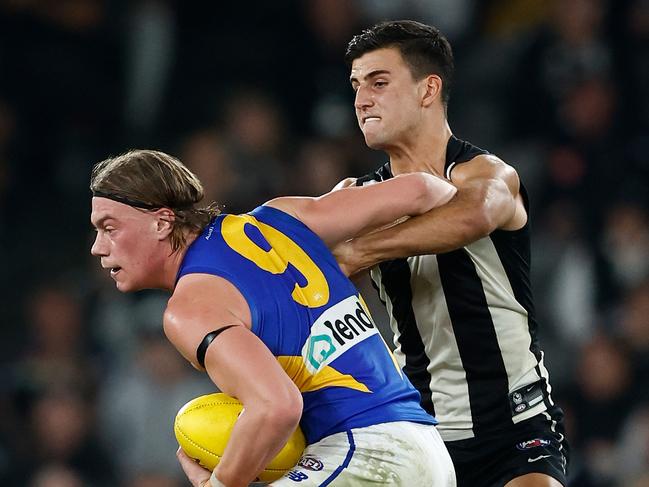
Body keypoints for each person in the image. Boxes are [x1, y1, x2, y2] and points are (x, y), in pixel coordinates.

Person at [89, 149, 458, 487]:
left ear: (161, 222)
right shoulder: (280, 217)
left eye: (109, 228)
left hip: (366, 455)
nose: (98, 247)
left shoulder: (188, 308)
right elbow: (423, 190)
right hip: (426, 450)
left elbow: (276, 406)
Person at [333, 20, 569, 487]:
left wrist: (358, 251)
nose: (362, 100)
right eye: (357, 86)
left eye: (379, 83)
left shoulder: (487, 174)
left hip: (515, 427)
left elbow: (470, 217)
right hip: (418, 431)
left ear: (428, 89)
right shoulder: (354, 197)